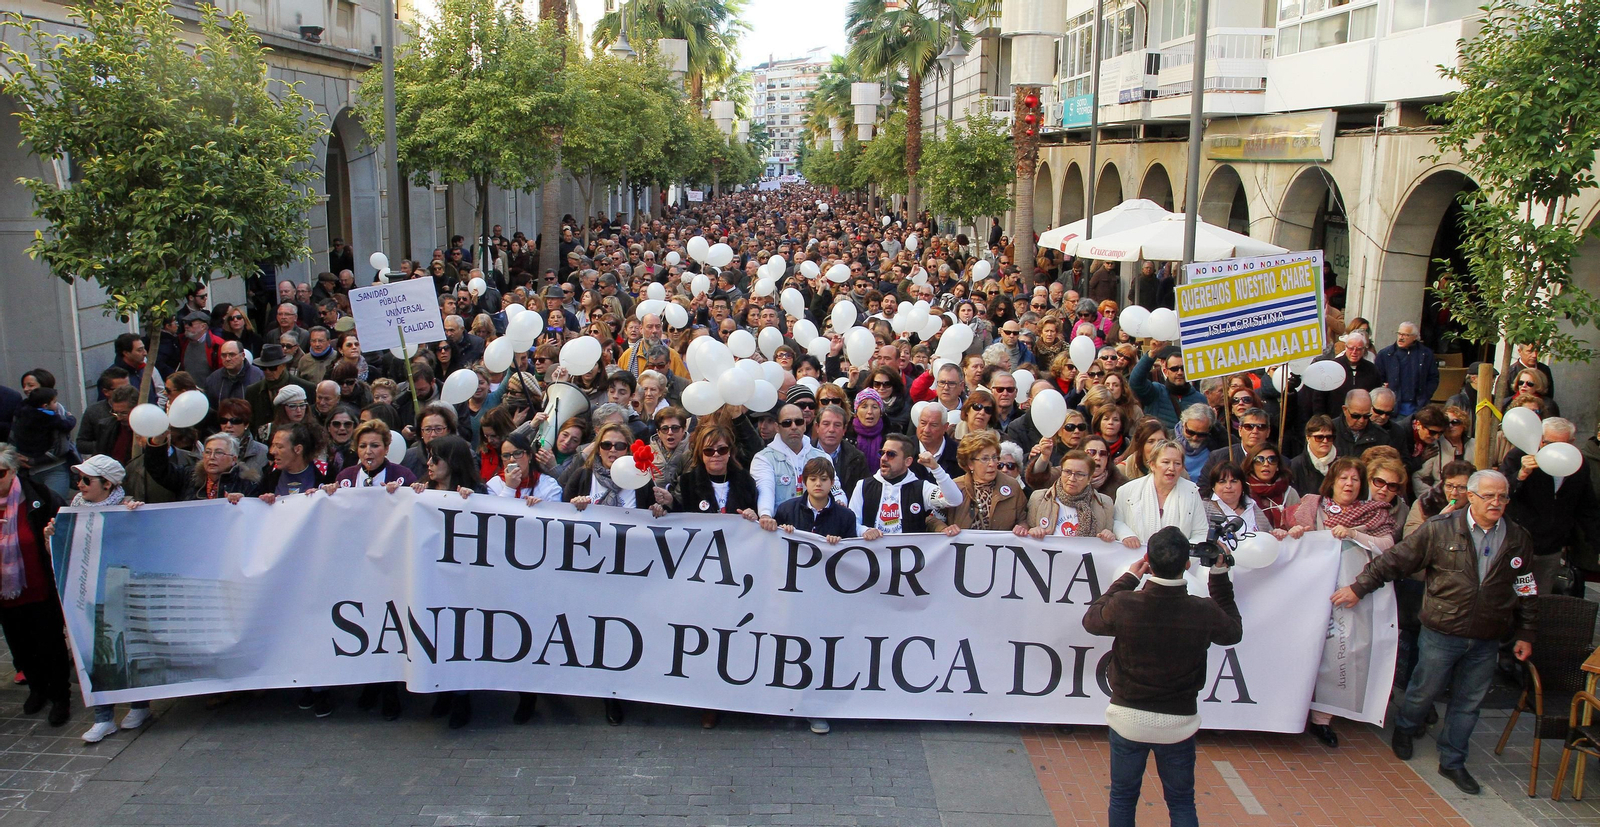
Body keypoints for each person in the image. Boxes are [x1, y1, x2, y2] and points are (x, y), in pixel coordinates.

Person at [1332, 469, 1537, 795]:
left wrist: (1525, 631)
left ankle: (1453, 760)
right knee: (1423, 691)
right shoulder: (1440, 529)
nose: (1496, 502)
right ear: (1471, 496)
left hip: (1487, 636)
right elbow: (1395, 560)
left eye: (1502, 496)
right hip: (1442, 630)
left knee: (1469, 703)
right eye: (1489, 496)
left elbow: (1526, 587)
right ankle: (1406, 727)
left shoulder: (1518, 537)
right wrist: (1359, 587)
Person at [1082, 526, 1242, 827]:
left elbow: (1092, 619)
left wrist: (1129, 578)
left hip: (1128, 717)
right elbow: (1233, 631)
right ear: (1186, 564)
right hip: (1178, 722)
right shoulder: (1203, 610)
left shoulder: (1126, 603)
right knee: (1181, 802)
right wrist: (1220, 580)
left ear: (1148, 562)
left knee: (1122, 797)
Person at [46, 456, 150, 742]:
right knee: (94, 650)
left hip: (121, 591)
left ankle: (139, 704)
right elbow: (61, 555)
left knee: (126, 647)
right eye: (78, 479)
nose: (79, 486)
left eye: (86, 480)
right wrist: (51, 537)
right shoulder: (72, 511)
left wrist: (137, 516)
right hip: (87, 592)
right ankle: (103, 717)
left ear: (108, 484)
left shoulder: (127, 507)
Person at [0, 444, 74, 727]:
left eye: (0, 472)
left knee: (50, 644)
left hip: (41, 587)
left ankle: (60, 698)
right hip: (6, 595)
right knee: (20, 646)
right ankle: (37, 689)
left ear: (13, 471)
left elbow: (63, 534)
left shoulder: (39, 497)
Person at [1500, 416, 1600, 596]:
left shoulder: (1578, 464)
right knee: (1508, 597)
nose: (1554, 450)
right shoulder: (1519, 456)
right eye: (1548, 443)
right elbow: (1501, 493)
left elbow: (1586, 508)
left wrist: (1596, 543)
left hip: (1551, 547)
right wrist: (1521, 475)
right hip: (1518, 543)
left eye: (1561, 445)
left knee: (1540, 601)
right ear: (1540, 440)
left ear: (1572, 443)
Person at [849, 433, 963, 540]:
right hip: (874, 556)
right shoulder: (863, 486)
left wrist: (936, 469)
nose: (883, 458)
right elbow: (852, 522)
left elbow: (955, 500)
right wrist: (865, 530)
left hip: (910, 558)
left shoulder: (921, 488)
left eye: (891, 454)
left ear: (907, 461)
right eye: (882, 453)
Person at [751, 404, 842, 527]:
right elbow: (765, 489)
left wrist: (841, 501)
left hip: (816, 527)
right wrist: (765, 514)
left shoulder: (823, 457)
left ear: (804, 425)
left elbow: (835, 488)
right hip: (779, 528)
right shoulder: (763, 458)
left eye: (798, 422)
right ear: (777, 427)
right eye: (787, 423)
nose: (793, 427)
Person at [928, 432, 1027, 534]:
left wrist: (1022, 527)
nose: (992, 464)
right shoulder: (954, 487)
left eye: (994, 457)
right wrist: (944, 528)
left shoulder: (1012, 486)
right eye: (985, 459)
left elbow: (1024, 519)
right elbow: (932, 519)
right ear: (970, 464)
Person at [1113, 440, 1207, 546]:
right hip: (1135, 556)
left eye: (1177, 463)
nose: (1172, 468)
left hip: (1179, 560)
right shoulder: (1127, 491)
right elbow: (1116, 521)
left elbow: (1201, 532)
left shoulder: (1192, 492)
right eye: (1166, 462)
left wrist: (1182, 553)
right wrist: (1126, 535)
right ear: (1152, 465)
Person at [1019, 450, 1117, 541]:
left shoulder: (1104, 503)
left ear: (1089, 478)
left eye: (1079, 474)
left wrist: (1108, 535)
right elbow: (1027, 528)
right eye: (1067, 472)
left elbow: (1108, 534)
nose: (1072, 478)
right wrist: (1031, 531)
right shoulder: (1039, 497)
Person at [1203, 463, 1286, 540]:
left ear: (1242, 484)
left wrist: (1277, 533)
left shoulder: (1252, 505)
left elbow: (1268, 536)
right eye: (1222, 482)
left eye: (1233, 481)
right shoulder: (1204, 508)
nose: (1228, 486)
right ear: (1213, 487)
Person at [328, 420, 417, 491]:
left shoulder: (403, 476)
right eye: (362, 446)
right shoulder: (345, 476)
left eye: (375, 445)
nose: (368, 451)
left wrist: (401, 492)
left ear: (386, 449)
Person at [1375, 322, 1439, 417]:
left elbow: (1433, 377)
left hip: (1418, 406)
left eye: (1405, 335)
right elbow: (1377, 378)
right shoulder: (1385, 354)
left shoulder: (1426, 354)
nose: (1401, 337)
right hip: (1393, 408)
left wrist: (1426, 395)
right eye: (1399, 334)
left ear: (1415, 337)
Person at [1290, 415, 1337, 496]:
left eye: (1329, 437)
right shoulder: (1294, 466)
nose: (1325, 441)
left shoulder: (1341, 465)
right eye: (1319, 437)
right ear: (1308, 438)